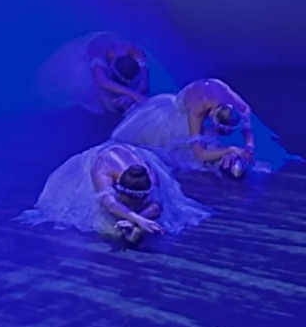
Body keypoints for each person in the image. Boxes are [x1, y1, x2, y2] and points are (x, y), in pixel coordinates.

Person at [21, 144, 209, 247]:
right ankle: (129, 227)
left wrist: (139, 219)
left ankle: (130, 227)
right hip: (100, 158)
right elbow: (108, 202)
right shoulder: (103, 169)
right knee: (106, 218)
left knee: (139, 217)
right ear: (118, 187)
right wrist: (137, 218)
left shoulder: (151, 177)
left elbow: (157, 205)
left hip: (133, 160)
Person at [115, 76, 296, 177]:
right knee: (199, 153)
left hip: (211, 108)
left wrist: (250, 147)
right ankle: (226, 159)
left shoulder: (238, 105)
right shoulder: (197, 110)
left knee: (225, 149)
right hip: (178, 117)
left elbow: (247, 125)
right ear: (211, 115)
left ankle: (230, 161)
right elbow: (199, 153)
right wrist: (231, 149)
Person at [34, 31, 161, 116]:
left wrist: (132, 96)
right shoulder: (98, 49)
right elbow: (101, 81)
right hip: (79, 61)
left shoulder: (137, 52)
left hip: (113, 66)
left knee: (123, 97)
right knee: (95, 93)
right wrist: (133, 94)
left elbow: (144, 83)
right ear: (110, 64)